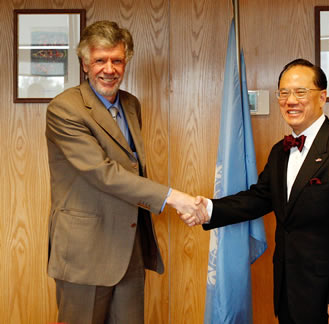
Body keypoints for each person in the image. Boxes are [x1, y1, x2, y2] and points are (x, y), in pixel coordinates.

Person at [187, 59, 329, 324]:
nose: (291, 100)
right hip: (288, 292)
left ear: (322, 97)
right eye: (284, 93)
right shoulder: (280, 151)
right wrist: (208, 209)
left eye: (301, 92)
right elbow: (258, 198)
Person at [46, 20, 206, 324]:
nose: (109, 69)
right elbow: (103, 173)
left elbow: (131, 166)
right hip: (85, 252)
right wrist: (175, 198)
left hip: (129, 249)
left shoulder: (131, 104)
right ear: (85, 63)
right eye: (100, 60)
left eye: (117, 60)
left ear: (126, 61)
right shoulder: (65, 109)